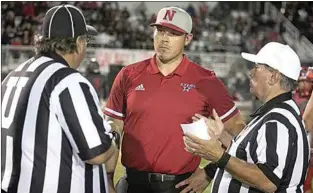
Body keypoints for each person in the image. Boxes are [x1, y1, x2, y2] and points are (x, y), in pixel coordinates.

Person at [104, 6, 245, 193]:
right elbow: (112, 131)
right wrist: (106, 181)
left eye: (173, 33)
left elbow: (240, 135)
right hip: (131, 184)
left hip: (178, 186)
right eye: (160, 31)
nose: (164, 39)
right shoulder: (128, 75)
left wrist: (209, 172)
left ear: (188, 38)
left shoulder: (206, 81)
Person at [1, 4, 120, 193]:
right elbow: (96, 152)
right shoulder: (67, 80)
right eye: (86, 40)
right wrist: (113, 137)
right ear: (79, 43)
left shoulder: (12, 76)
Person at [184, 42, 310, 192]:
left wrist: (218, 155)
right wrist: (222, 134)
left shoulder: (277, 120)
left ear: (274, 76)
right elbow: (250, 154)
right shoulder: (276, 114)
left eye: (256, 67)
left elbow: (268, 180)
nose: (251, 72)